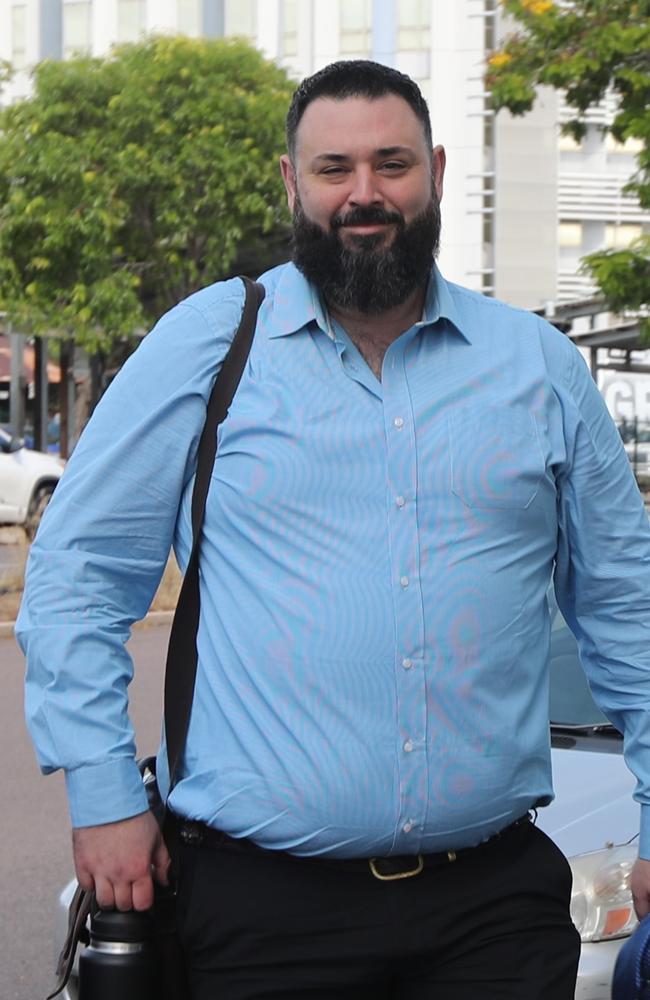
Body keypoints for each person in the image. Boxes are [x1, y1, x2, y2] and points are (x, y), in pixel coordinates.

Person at [17, 59, 650, 999]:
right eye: (333, 168)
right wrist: (104, 795)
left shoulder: (540, 368)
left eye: (391, 164)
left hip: (493, 916)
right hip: (260, 917)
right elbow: (78, 575)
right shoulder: (207, 343)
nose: (365, 195)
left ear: (435, 170)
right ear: (291, 182)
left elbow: (624, 606)